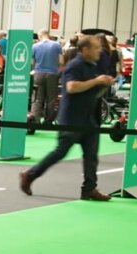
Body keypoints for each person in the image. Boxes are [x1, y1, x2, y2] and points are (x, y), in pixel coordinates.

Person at [19, 36, 115, 202]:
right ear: (85, 49)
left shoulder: (91, 66)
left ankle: (89, 189)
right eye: (95, 48)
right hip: (71, 119)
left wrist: (103, 85)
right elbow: (71, 87)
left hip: (88, 118)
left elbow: (92, 93)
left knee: (91, 156)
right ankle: (29, 175)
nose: (99, 51)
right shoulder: (74, 65)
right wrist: (96, 81)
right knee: (60, 152)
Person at [31, 29, 63, 124]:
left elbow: (32, 62)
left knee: (37, 98)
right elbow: (61, 62)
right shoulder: (57, 45)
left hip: (38, 73)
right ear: (48, 35)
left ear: (40, 36)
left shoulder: (35, 46)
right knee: (51, 99)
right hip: (52, 74)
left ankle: (34, 120)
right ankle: (48, 121)